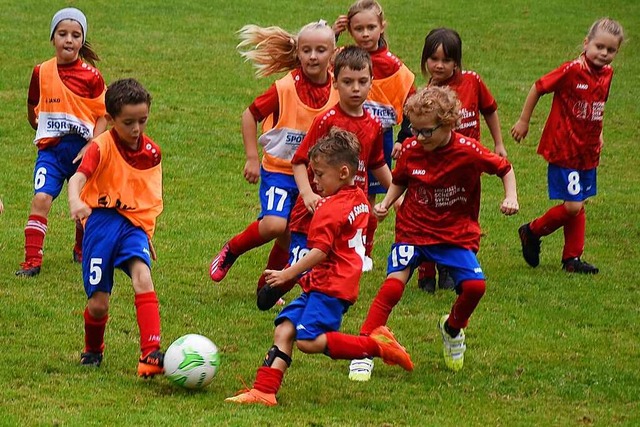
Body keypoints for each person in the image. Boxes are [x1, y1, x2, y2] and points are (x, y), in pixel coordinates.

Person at [225, 129, 413, 406]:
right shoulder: (359, 197)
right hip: (330, 281)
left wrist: (287, 274)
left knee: (309, 341)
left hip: (332, 285)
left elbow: (319, 252)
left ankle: (377, 346)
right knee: (285, 330)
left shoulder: (329, 209)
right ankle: (264, 390)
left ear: (343, 172)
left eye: (320, 174)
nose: (314, 180)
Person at [348, 86, 519, 381]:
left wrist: (510, 196)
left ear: (449, 123)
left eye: (427, 132)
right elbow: (400, 179)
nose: (419, 138)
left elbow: (504, 168)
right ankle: (364, 349)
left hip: (454, 233)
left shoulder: (468, 150)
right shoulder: (413, 150)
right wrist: (387, 202)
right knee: (392, 287)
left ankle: (452, 328)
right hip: (413, 229)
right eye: (415, 130)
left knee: (475, 287)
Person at [257, 45, 392, 310]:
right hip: (314, 209)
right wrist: (308, 193)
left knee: (330, 261)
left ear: (371, 83)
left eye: (362, 82)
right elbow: (299, 160)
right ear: (335, 83)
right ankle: (275, 285)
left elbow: (377, 163)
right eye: (348, 82)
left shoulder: (374, 125)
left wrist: (395, 194)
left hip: (349, 207)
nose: (356, 88)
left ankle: (315, 299)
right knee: (305, 261)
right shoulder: (326, 120)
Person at [209, 21, 340, 293]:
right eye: (306, 50)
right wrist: (252, 158)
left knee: (290, 236)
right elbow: (250, 115)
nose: (313, 56)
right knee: (274, 224)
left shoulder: (339, 87)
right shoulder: (284, 87)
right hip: (280, 170)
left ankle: (266, 287)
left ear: (333, 53)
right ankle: (231, 250)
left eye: (320, 50)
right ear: (298, 52)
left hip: (314, 178)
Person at [68, 78, 164, 378]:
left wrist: (146, 232)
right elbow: (77, 179)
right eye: (128, 122)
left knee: (143, 276)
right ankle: (93, 350)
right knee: (98, 304)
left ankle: (151, 353)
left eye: (142, 121)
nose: (136, 129)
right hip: (100, 224)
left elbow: (147, 195)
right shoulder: (100, 147)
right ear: (110, 120)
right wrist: (75, 202)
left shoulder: (152, 152)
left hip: (131, 225)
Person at [511, 18, 624, 274]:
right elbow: (538, 87)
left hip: (587, 149)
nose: (604, 54)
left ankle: (572, 259)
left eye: (611, 50)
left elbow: (599, 104)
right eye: (599, 47)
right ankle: (532, 230)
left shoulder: (607, 74)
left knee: (579, 201)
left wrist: (600, 132)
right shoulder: (572, 70)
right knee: (573, 205)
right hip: (564, 147)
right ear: (586, 43)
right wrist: (523, 121)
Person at [416, 27, 508, 293]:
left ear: (457, 61)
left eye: (446, 60)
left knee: (464, 214)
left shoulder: (472, 82)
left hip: (468, 164)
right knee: (432, 213)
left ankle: (451, 266)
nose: (440, 65)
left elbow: (489, 110)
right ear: (425, 60)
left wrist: (499, 143)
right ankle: (426, 271)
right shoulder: (426, 94)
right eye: (434, 59)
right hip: (437, 165)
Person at [16, 7, 107, 277]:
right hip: (52, 152)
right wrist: (38, 124)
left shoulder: (92, 76)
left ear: (82, 40)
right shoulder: (41, 71)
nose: (69, 40)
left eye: (75, 35)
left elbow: (103, 114)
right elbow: (33, 103)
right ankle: (32, 261)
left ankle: (81, 248)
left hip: (81, 151)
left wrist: (92, 144)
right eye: (63, 34)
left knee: (82, 205)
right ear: (52, 38)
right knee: (41, 198)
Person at [333, 0, 415, 271]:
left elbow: (411, 101)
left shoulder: (393, 66)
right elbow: (321, 61)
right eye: (358, 28)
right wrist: (333, 35)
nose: (366, 34)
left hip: (379, 138)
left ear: (382, 27)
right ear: (350, 30)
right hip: (342, 137)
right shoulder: (343, 56)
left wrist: (403, 137)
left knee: (368, 200)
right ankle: (336, 246)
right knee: (340, 193)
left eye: (371, 27)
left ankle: (363, 250)